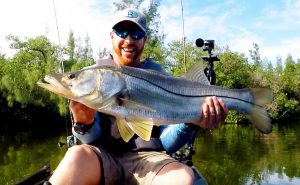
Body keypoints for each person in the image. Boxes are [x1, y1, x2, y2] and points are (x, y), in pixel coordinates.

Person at [49, 8, 228, 185]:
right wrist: (83, 123)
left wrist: (190, 123)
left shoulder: (162, 77)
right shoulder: (94, 75)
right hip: (103, 157)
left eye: (136, 34)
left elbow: (167, 144)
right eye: (121, 32)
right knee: (76, 155)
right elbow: (91, 141)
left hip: (151, 159)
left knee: (183, 178)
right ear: (111, 36)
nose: (128, 40)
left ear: (144, 39)